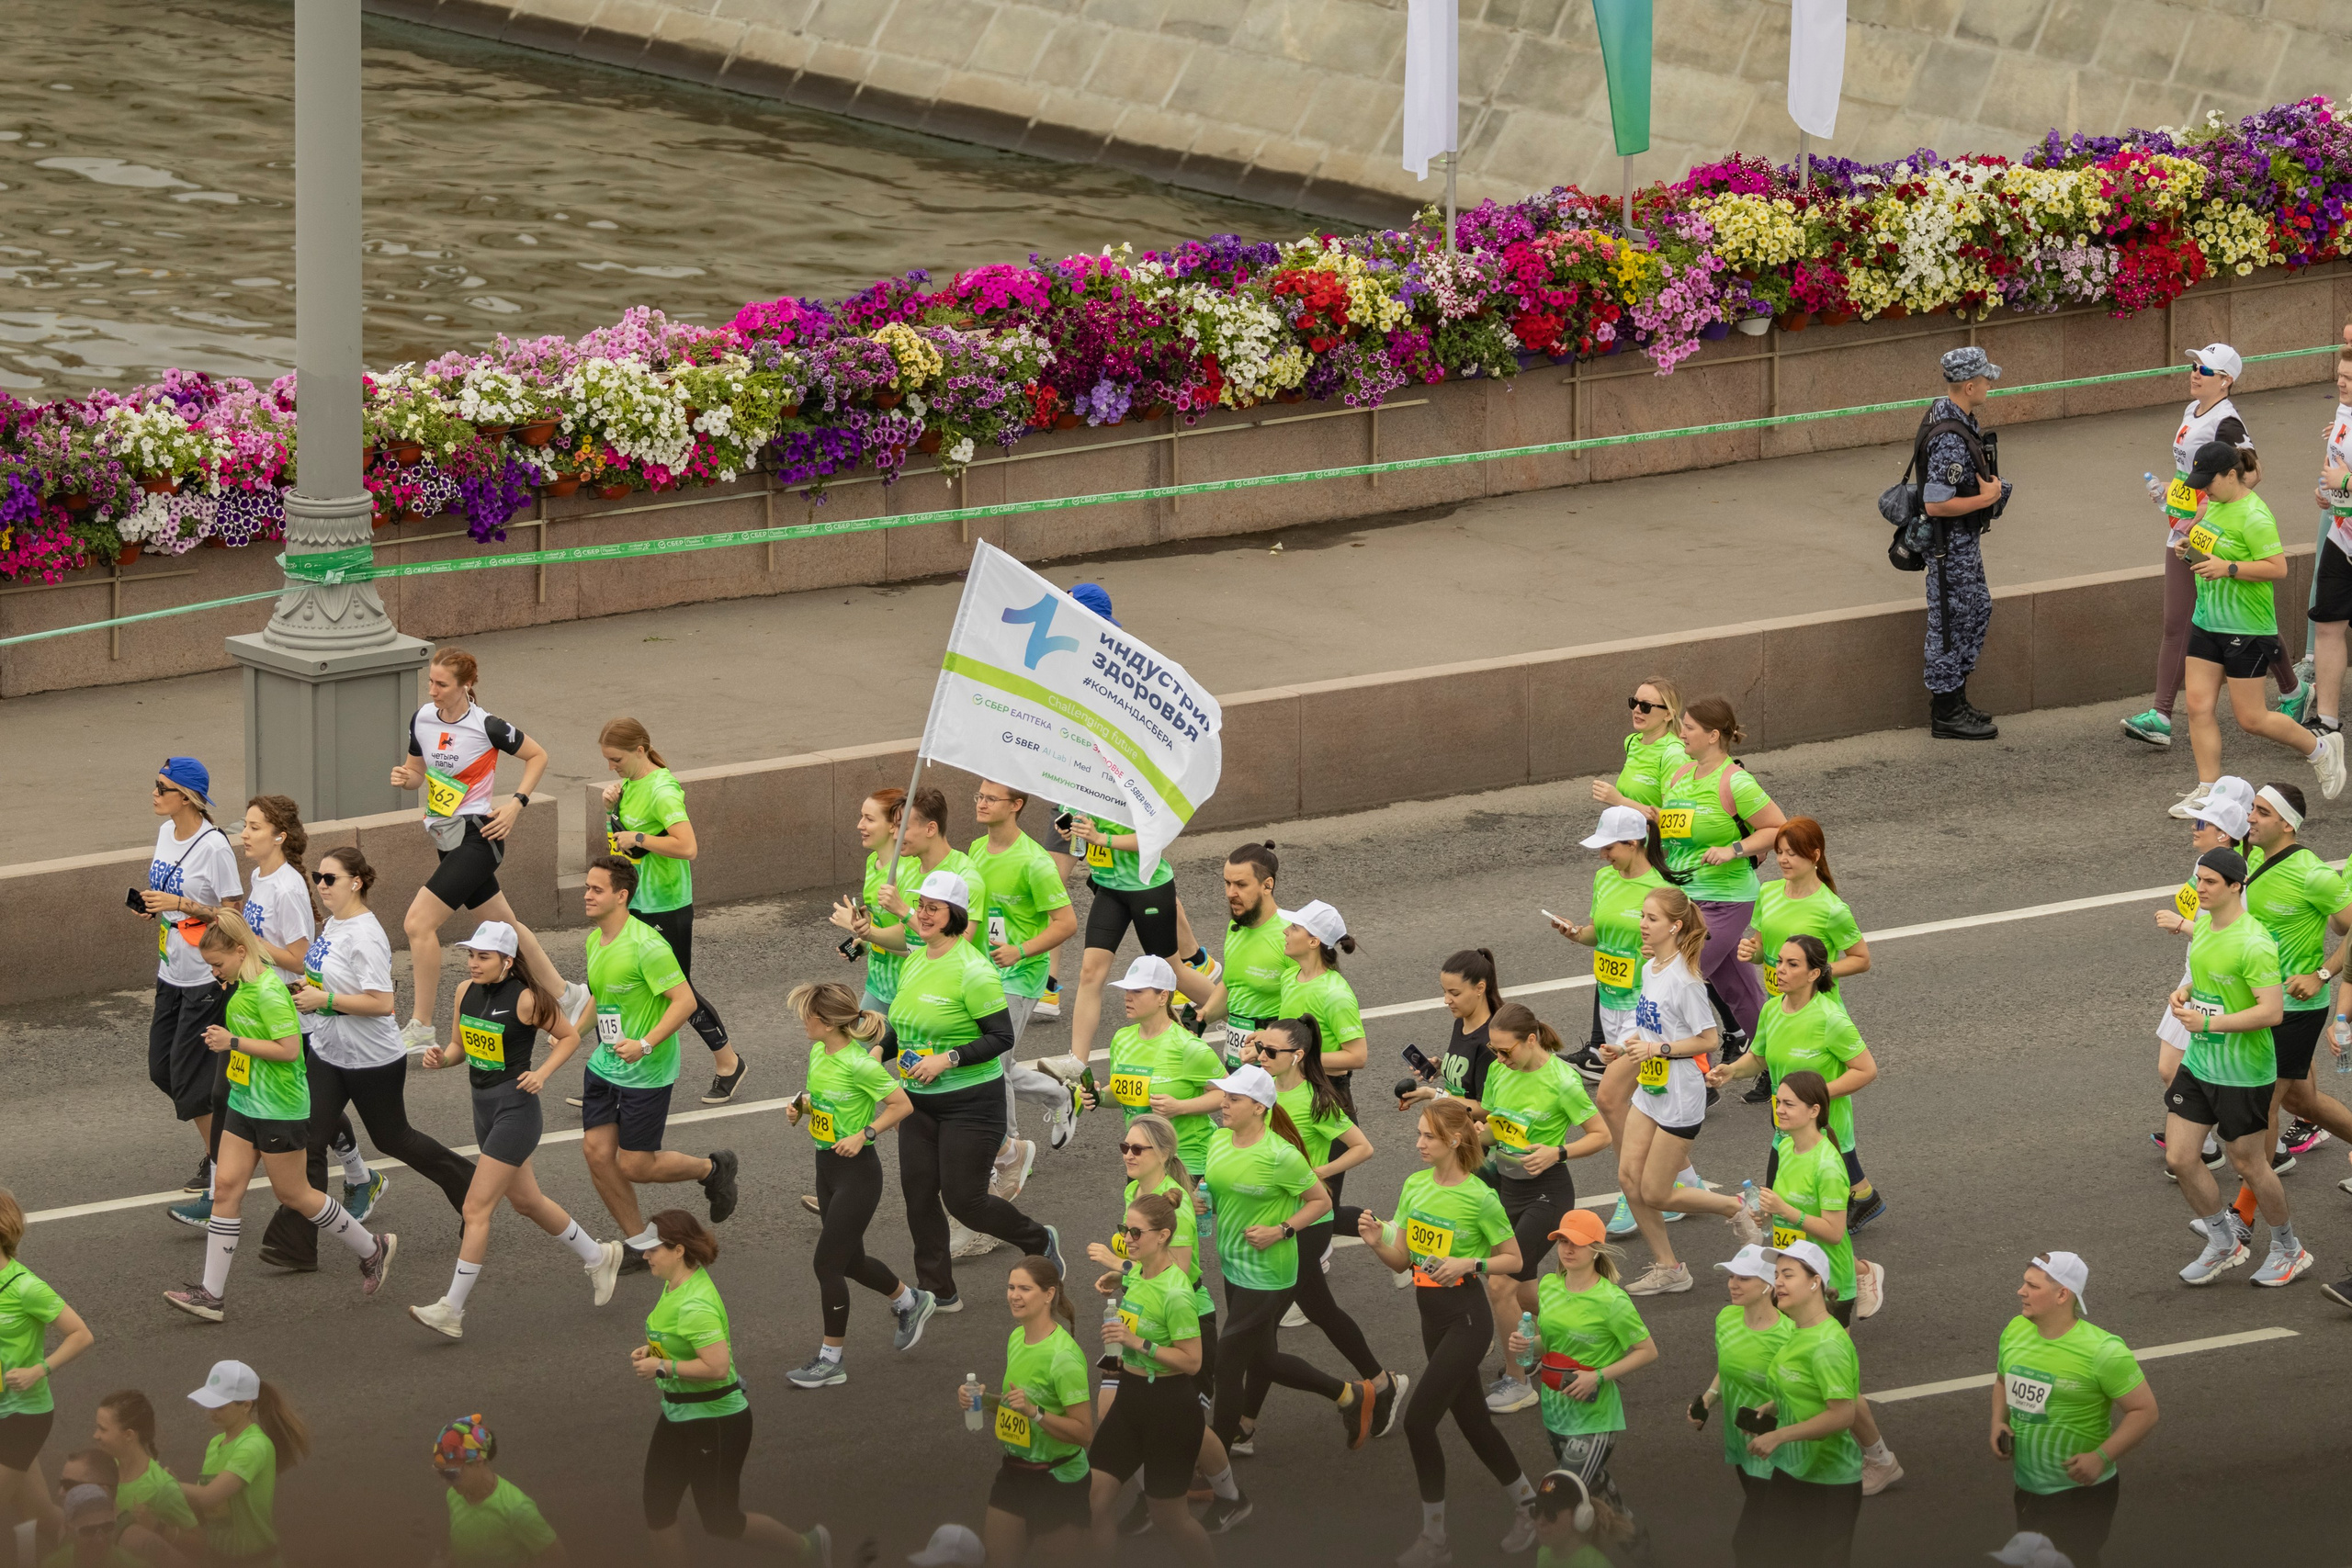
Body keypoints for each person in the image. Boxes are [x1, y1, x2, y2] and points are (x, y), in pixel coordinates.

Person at [163, 911, 396, 1321]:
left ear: (239, 951)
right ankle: (211, 1295)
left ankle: (372, 1248)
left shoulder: (268, 991)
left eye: (217, 964)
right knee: (228, 1188)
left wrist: (232, 1041)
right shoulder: (243, 984)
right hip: (245, 1101)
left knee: (294, 1195)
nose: (214, 973)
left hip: (279, 1109)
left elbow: (289, 1050)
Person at [260, 845, 478, 1275]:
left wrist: (325, 999)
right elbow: (326, 977)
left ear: (356, 882)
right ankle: (296, 1245)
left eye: (330, 879)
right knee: (309, 1140)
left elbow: (381, 1004)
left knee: (394, 1139)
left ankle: (472, 1192)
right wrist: (305, 988)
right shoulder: (335, 925)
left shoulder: (365, 933)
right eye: (317, 878)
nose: (320, 886)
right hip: (329, 1053)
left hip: (371, 1060)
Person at [409, 921, 626, 1339]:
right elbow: (459, 1049)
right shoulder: (463, 993)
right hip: (483, 1108)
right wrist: (442, 1060)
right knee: (527, 1201)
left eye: (483, 957)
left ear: (507, 962)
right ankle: (598, 1255)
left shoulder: (527, 999)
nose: (473, 963)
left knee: (476, 1209)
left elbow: (567, 1037)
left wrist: (541, 1073)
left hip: (516, 1112)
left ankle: (451, 1309)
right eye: (471, 955)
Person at [179, 794, 376, 1234]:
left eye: (253, 827)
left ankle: (359, 1180)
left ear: (279, 836)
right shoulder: (261, 877)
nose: (243, 834)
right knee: (231, 1096)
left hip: (287, 1015)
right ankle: (361, 1175)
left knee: (300, 1110)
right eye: (245, 826)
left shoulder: (287, 887)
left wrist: (246, 941)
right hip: (256, 1005)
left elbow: (301, 960)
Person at [1356, 1099, 1535, 1568]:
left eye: (1428, 1136)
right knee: (1474, 1423)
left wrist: (1468, 1263)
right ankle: (1531, 1507)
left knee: (1418, 1422)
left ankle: (1436, 1541)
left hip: (1467, 1319)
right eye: (1418, 1133)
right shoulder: (1414, 1186)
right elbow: (1403, 1261)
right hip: (1431, 1319)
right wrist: (1377, 1244)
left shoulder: (1480, 1197)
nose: (1417, 1143)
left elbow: (1513, 1260)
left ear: (1455, 1140)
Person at [391, 648, 586, 1051]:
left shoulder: (488, 726)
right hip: (445, 837)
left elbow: (538, 755)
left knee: (418, 924)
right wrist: (406, 778)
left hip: (480, 838)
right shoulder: (422, 719)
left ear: (466, 686)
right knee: (507, 928)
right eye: (430, 681)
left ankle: (422, 1024)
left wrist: (516, 803)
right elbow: (417, 771)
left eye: (441, 684)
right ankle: (570, 996)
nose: (432, 690)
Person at [881, 869, 1057, 1309]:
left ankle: (1038, 1239)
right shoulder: (916, 958)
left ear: (955, 915)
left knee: (965, 1201)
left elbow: (1001, 1038)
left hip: (971, 1105)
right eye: (920, 905)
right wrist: (876, 1051)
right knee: (918, 1194)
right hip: (916, 1102)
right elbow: (905, 1025)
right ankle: (938, 1292)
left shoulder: (973, 970)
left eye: (933, 908)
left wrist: (946, 1059)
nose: (922, 914)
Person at [1200, 1065, 1393, 1454]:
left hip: (1270, 1273)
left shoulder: (1281, 1156)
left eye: (1233, 1098)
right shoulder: (1219, 1140)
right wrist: (1202, 1200)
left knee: (1227, 1363)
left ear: (1258, 1108)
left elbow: (1321, 1202)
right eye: (1224, 1095)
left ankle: (1215, 1463)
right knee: (1264, 1356)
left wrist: (1281, 1230)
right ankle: (1350, 1395)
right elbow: (1220, 1191)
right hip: (1233, 1266)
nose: (1223, 1103)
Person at [628, 1211, 831, 1568]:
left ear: (678, 1250)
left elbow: (717, 1367)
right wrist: (655, 1350)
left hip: (715, 1423)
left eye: (651, 1250)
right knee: (657, 1510)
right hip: (678, 1414)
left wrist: (661, 1365)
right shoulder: (675, 1282)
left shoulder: (696, 1305)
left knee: (721, 1522)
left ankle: (810, 1548)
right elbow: (681, 1341)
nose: (645, 1256)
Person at [1081, 1116, 1246, 1534]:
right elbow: (1145, 1262)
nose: (1128, 1155)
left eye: (1138, 1149)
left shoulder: (1179, 1208)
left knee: (1189, 1425)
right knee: (1115, 1407)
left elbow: (1180, 1275)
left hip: (1183, 1321)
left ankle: (1230, 1498)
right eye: (1125, 1147)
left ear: (1166, 1154)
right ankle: (1151, 1498)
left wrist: (1117, 1264)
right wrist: (1125, 1277)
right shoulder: (1134, 1192)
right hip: (1138, 1312)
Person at [575, 855, 739, 1262]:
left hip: (646, 1070)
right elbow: (603, 994)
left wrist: (645, 1043)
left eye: (597, 889)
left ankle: (711, 1169)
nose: (587, 895)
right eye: (587, 887)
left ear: (622, 896)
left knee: (635, 1166)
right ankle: (640, 1243)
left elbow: (683, 1002)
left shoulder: (647, 945)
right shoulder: (596, 939)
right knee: (596, 1153)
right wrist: (573, 1031)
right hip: (605, 1064)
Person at [2171, 441, 2346, 817]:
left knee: (2251, 719)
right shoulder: (2214, 504)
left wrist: (2228, 568)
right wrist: (2190, 550)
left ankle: (2321, 750)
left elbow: (2277, 568)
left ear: (2231, 475)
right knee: (2198, 705)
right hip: (2207, 620)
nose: (2204, 489)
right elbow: (2215, 552)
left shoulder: (2255, 515)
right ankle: (2208, 790)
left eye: (2209, 481)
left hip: (2247, 626)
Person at [1237, 1018, 1396, 1431]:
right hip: (1274, 1216)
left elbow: (1363, 1148)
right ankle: (1382, 1383)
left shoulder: (1316, 1101)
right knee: (1321, 1309)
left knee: (1262, 1330)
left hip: (1307, 1224)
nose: (1262, 1057)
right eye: (1259, 1047)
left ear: (1298, 1056)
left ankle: (1245, 1423)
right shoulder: (1259, 1087)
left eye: (1271, 1052)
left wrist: (1316, 1171)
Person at [1746, 1072, 1901, 1495]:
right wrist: (1768, 1215)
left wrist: (1786, 1212)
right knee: (1806, 1371)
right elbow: (1789, 1210)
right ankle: (1806, 1445)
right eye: (1777, 1102)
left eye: (1789, 1104)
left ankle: (1880, 1460)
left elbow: (1834, 1232)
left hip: (1829, 1286)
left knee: (1840, 1387)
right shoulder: (1786, 1146)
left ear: (1815, 1111)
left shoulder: (1829, 1165)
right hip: (1794, 1274)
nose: (1779, 1109)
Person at [2165, 847, 2307, 1286]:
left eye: (2209, 881)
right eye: (2198, 879)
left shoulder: (2255, 942)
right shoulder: (2205, 924)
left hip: (2243, 1073)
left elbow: (2271, 1012)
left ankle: (2289, 1248)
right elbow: (2212, 979)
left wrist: (2209, 1020)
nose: (2199, 888)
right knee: (2181, 1157)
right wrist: (2188, 990)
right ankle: (2224, 1242)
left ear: (2234, 886)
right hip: (2201, 1061)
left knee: (2248, 1165)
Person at [781, 980, 933, 1388]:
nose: (803, 1022)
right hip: (825, 1167)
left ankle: (831, 1360)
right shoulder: (818, 1052)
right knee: (849, 1261)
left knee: (826, 1264)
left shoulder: (859, 1063)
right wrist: (802, 1107)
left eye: (808, 1015)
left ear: (829, 1022)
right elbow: (821, 1096)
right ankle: (909, 1300)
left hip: (857, 1175)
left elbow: (902, 1105)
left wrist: (865, 1134)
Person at [2123, 343, 2266, 748]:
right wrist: (2174, 492)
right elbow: (2194, 472)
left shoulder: (2227, 420)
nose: (2195, 372)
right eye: (2194, 365)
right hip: (2185, 529)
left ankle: (2291, 690)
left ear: (2225, 380)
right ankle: (2161, 716)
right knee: (2177, 620)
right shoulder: (2192, 412)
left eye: (2204, 369)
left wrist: (2209, 513)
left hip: (2212, 535)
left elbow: (2253, 474)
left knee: (2245, 615)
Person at [598, 717, 743, 1106]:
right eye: (608, 760)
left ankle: (729, 1063)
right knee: (627, 983)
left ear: (640, 750)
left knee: (677, 992)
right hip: (634, 902)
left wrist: (640, 837)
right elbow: (623, 844)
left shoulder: (662, 789)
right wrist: (611, 808)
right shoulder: (631, 784)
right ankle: (614, 1074)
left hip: (666, 904)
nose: (611, 767)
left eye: (616, 759)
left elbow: (687, 846)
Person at [1600, 889, 1737, 1296]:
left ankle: (1734, 1207)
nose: (1643, 923)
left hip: (1681, 1093)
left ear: (1675, 926)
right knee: (1628, 1177)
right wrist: (1624, 1046)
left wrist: (1657, 1049)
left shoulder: (1686, 979)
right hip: (1651, 1086)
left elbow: (1708, 1040)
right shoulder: (1652, 969)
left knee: (1657, 1192)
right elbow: (1651, 1027)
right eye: (1642, 916)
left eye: (1652, 918)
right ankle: (1669, 1267)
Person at [1476, 1004, 1611, 1416]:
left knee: (1499, 1283)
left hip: (1547, 1194)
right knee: (1522, 1289)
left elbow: (1601, 1135)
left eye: (1505, 1051)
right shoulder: (1501, 1071)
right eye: (1494, 1051)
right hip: (1506, 1189)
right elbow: (1490, 1123)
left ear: (1531, 1040)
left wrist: (1558, 1151)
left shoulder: (1562, 1080)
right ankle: (1588, 1324)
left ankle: (1519, 1381)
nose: (1499, 1059)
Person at [1710, 938, 1886, 1246]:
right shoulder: (1771, 1010)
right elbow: (1760, 1057)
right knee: (1782, 1223)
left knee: (1817, 1231)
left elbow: (1866, 1069)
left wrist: (1811, 1097)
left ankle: (1851, 1280)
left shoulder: (1830, 1019)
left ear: (1813, 974)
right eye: (1779, 962)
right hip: (1785, 1133)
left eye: (1792, 964)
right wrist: (1733, 1070)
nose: (1780, 970)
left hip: (1824, 1136)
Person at [1991, 1252, 2156, 1568]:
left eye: (2031, 1285)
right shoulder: (2016, 1329)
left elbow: (2145, 1411)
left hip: (2081, 1493)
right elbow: (2001, 1380)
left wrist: (2101, 1457)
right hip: (2027, 1488)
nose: (2020, 1291)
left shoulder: (2103, 1351)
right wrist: (1998, 1422)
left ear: (2062, 1294)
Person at [1085, 1193, 1216, 1568]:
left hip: (1170, 1410)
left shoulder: (1177, 1293)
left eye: (1137, 1232)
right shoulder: (1140, 1271)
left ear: (1163, 1237)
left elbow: (1192, 1362)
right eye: (1125, 1229)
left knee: (1169, 1517)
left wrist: (1137, 1342)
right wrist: (1119, 1273)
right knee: (1092, 1503)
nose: (1127, 1238)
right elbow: (1137, 1276)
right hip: (1131, 1401)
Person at [1508, 1208, 1654, 1533]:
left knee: (1560, 1500)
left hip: (1595, 1418)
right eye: (1562, 1241)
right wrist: (1527, 1345)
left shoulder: (1612, 1301)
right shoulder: (1549, 1286)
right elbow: (1551, 1344)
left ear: (1596, 1249)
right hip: (1555, 1410)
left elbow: (1647, 1352)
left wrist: (1597, 1376)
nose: (1568, 1249)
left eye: (1577, 1243)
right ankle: (1634, 1542)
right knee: (1594, 1485)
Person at [1657, 699, 1787, 1057]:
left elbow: (1779, 829)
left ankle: (1693, 1074)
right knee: (1737, 991)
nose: (1681, 733)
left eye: (1690, 728)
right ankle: (1777, 1059)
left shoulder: (1736, 782)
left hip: (1725, 901)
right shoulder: (1680, 777)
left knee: (1677, 980)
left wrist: (1735, 849)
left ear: (1714, 736)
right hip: (1685, 901)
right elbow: (1676, 834)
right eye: (1682, 725)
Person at [140, 756, 239, 1200]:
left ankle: (221, 1163)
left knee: (189, 1080)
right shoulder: (165, 833)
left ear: (188, 797)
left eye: (162, 788)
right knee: (163, 1070)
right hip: (170, 969)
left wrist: (183, 903)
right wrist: (155, 908)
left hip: (205, 975)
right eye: (156, 786)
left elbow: (233, 914)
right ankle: (227, 1139)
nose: (155, 794)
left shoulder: (214, 846)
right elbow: (167, 898)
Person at [968, 778, 1082, 1167]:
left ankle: (1010, 1151)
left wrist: (1019, 950)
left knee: (992, 1067)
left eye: (990, 798)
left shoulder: (1036, 862)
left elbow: (1066, 924)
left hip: (1020, 977)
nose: (981, 804)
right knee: (991, 1063)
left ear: (1016, 804)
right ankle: (1059, 1094)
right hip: (981, 973)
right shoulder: (976, 850)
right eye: (979, 796)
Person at [2243, 784, 2352, 1175]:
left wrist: (2323, 974)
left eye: (2263, 812)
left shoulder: (2313, 874)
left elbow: (2349, 928)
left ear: (2288, 824)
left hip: (2295, 1008)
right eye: (2253, 808)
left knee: (2267, 1102)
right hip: (2259, 1000)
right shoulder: (2253, 855)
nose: (2251, 816)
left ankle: (2250, 1205)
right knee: (2302, 1102)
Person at [962, 1256, 1093, 1568]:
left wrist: (1036, 1414)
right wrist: (985, 1400)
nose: (1014, 1295)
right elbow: (1016, 1403)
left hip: (1058, 1478)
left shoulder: (1063, 1357)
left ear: (1049, 1294)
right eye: (1010, 1287)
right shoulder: (1017, 1337)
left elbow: (1084, 1433)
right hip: (1015, 1470)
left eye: (1024, 1288)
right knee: (997, 1559)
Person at [1919, 345, 2013, 740]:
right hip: (1949, 546)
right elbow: (1935, 503)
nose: (1990, 385)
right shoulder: (1950, 438)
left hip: (1962, 541)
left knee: (1975, 610)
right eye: (1987, 380)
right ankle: (1945, 710)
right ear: (1970, 385)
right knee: (1949, 622)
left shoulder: (1956, 416)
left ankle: (1956, 698)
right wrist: (1988, 498)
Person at [1749, 1243, 1863, 1563]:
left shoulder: (1827, 1344)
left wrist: (1778, 1436)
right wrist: (1773, 1406)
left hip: (1828, 1482)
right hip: (1792, 1470)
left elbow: (1842, 1415)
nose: (1778, 1283)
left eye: (1788, 1274)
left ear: (1815, 1282)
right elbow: (1803, 1384)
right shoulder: (1799, 1331)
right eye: (1776, 1275)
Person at [1555, 805, 1679, 1096]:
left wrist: (1664, 949)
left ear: (1633, 843)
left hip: (1644, 1003)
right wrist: (1575, 934)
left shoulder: (1662, 889)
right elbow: (1596, 935)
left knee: (1610, 1096)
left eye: (1609, 848)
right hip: (1609, 1002)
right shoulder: (1604, 879)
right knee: (1640, 1094)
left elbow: (1688, 942)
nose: (1603, 855)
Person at [1, 1190, 95, 1560]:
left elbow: (81, 1334)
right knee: (37, 1513)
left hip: (24, 1415)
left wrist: (39, 1370)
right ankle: (104, 1546)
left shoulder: (26, 1287)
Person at [1691, 1246, 1791, 1568]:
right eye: (1731, 1275)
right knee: (1771, 1531)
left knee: (1748, 1543)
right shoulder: (1726, 1318)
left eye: (1743, 1278)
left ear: (1767, 1285)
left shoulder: (1788, 1336)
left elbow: (1803, 1389)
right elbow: (1727, 1367)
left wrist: (1769, 1409)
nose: (1733, 1283)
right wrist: (1708, 1398)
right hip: (1740, 1442)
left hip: (1775, 1448)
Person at [1099, 957, 1225, 1178]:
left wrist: (1180, 1107)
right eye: (1127, 990)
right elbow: (1121, 1094)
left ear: (1163, 997)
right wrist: (1097, 1097)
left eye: (1137, 991)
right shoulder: (1122, 1039)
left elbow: (1225, 1094)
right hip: (1140, 1160)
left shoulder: (1188, 1047)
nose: (1128, 997)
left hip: (1186, 1163)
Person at [177, 1360, 306, 1567]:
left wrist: (164, 1483)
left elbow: (209, 1497)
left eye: (219, 1406)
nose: (211, 1412)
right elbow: (207, 1510)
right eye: (209, 1404)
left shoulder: (254, 1446)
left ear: (246, 1406)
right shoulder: (214, 1444)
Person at [1200, 843, 1293, 1074]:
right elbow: (1232, 984)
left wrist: (1272, 1038)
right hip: (1237, 1059)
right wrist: (1201, 1018)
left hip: (1273, 1062)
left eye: (1241, 885)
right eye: (1227, 883)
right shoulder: (1236, 926)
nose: (1231, 893)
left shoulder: (1291, 935)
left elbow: (1308, 1006)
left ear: (1267, 885)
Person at [430, 1413, 567, 1566]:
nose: (446, 1482)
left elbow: (557, 1557)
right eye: (440, 1473)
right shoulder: (454, 1495)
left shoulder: (517, 1509)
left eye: (451, 1474)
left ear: (477, 1462)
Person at [830, 787, 920, 1014]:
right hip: (877, 986)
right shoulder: (873, 862)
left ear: (893, 826)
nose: (860, 825)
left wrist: (858, 929)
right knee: (862, 1049)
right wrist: (865, 943)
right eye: (862, 817)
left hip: (909, 989)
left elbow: (915, 944)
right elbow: (879, 924)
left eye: (869, 819)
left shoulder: (909, 871)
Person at [2304, 349, 2352, 738]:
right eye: (2339, 375)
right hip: (2343, 535)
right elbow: (2334, 466)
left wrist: (2346, 485)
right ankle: (2328, 721)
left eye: (2349, 379)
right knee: (2328, 625)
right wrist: (2327, 493)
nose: (2341, 382)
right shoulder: (2342, 413)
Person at [89, 1393, 199, 1555]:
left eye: (103, 1429)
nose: (95, 1435)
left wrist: (158, 1527)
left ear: (129, 1435)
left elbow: (200, 1544)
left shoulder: (162, 1487)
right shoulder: (108, 1467)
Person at [1591, 678, 1688, 822]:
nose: (1636, 710)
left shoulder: (1674, 754)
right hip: (1630, 840)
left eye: (1645, 706)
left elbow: (1677, 820)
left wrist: (1619, 800)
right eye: (1634, 702)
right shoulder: (1632, 742)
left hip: (1653, 843)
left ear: (1668, 715)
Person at [1523, 1468, 1634, 1568]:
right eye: (1536, 1511)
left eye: (1551, 1514)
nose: (1540, 1522)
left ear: (1580, 1516)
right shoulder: (1544, 1552)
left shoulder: (1595, 1565)